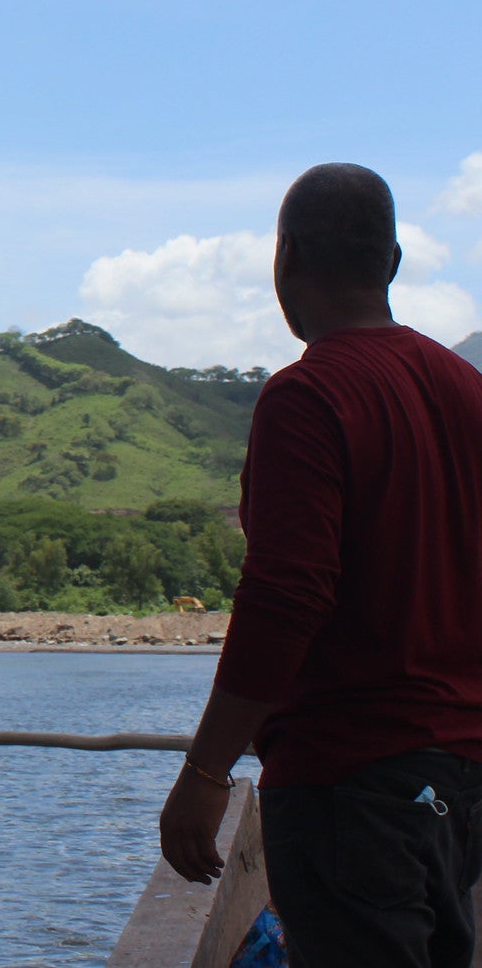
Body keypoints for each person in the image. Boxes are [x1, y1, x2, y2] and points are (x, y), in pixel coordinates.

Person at [157, 163, 482, 967]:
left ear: (287, 256)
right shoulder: (468, 390)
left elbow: (284, 597)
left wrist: (206, 770)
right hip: (462, 783)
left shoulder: (307, 395)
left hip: (351, 786)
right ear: (393, 261)